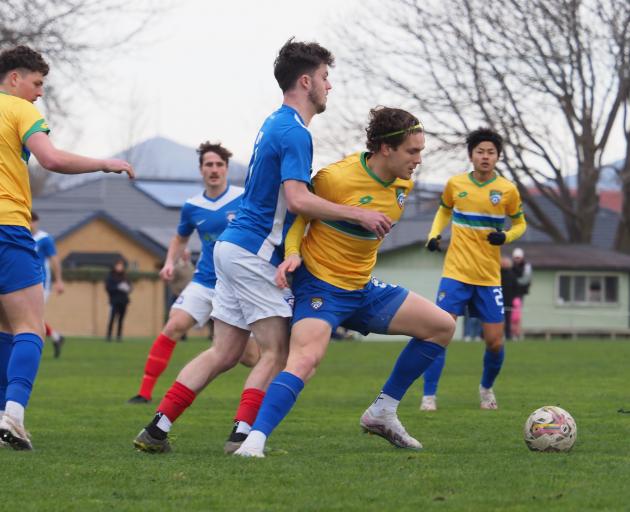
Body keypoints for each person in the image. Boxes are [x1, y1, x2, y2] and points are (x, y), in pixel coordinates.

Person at [133, 38, 392, 454]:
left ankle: (157, 429)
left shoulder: (274, 122)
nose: (330, 86)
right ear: (306, 81)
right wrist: (358, 214)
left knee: (226, 351)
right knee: (277, 350)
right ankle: (242, 436)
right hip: (253, 250)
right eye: (326, 77)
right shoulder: (294, 131)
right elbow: (297, 199)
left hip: (232, 249)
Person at [234, 107, 455, 458]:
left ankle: (382, 411)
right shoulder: (335, 178)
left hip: (362, 289)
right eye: (413, 151)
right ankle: (254, 443)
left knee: (442, 326)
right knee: (305, 360)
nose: (418, 159)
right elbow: (298, 219)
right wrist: (292, 253)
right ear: (386, 148)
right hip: (320, 288)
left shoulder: (403, 184)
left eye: (420, 151)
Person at [0, 45, 133, 450]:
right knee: (31, 327)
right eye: (37, 84)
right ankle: (14, 415)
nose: (39, 93)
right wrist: (103, 163)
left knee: (5, 329)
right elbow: (51, 159)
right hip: (6, 226)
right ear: (14, 79)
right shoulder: (18, 109)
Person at [127, 141, 257, 405]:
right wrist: (169, 262)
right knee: (173, 325)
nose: (214, 169)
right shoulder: (192, 206)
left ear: (226, 169)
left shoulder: (243, 198)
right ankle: (144, 392)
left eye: (219, 164)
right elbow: (180, 238)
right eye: (209, 164)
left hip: (237, 285)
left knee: (249, 357)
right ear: (201, 170)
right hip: (205, 280)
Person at [420, 128, 527, 412]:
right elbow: (444, 210)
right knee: (438, 333)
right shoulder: (455, 184)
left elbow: (520, 224)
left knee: (494, 341)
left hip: (488, 278)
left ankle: (486, 388)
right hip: (455, 273)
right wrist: (434, 234)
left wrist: (505, 237)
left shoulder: (507, 190)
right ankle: (428, 396)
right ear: (471, 155)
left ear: (498, 157)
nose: (485, 157)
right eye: (480, 151)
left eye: (491, 152)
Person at [30, 211, 65, 358]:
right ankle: (56, 337)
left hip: (42, 283)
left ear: (36, 222)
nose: (30, 224)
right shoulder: (21, 237)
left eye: (32, 221)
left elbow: (54, 260)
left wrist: (59, 280)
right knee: (30, 316)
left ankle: (33, 348)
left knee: (32, 316)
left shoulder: (44, 239)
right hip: (24, 283)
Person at [105, 258, 132, 341]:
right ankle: (109, 336)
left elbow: (130, 287)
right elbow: (108, 287)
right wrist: (118, 287)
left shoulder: (125, 276)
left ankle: (119, 336)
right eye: (118, 265)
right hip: (114, 301)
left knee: (121, 319)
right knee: (112, 318)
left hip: (123, 301)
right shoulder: (111, 276)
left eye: (121, 265)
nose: (120, 267)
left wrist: (127, 288)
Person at [500, 256, 517, 341]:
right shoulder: (498, 273)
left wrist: (513, 297)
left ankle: (508, 335)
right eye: (503, 262)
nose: (504, 264)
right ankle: (498, 335)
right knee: (498, 319)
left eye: (506, 263)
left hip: (508, 300)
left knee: (508, 319)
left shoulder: (512, 274)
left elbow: (515, 287)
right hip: (499, 300)